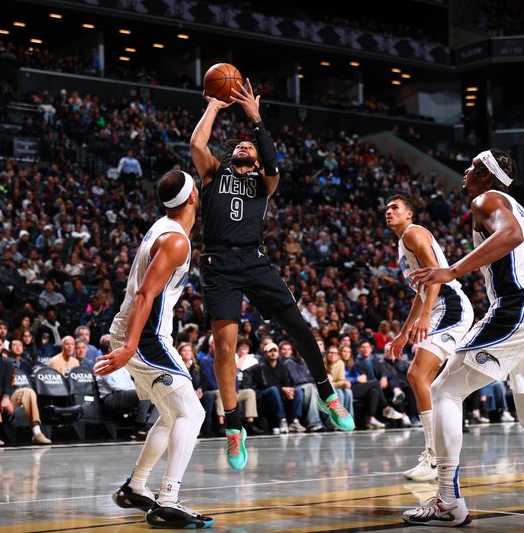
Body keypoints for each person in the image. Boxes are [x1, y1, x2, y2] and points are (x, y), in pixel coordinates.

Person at [404, 150, 524, 526]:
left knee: (445, 390)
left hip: (521, 304)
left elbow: (508, 235)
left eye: (471, 166)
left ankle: (447, 499)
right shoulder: (515, 206)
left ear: (484, 174)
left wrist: (453, 270)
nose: (464, 171)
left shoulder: (486, 199)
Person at [190, 77, 353, 469]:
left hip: (255, 260)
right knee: (224, 348)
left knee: (297, 324)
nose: (244, 144)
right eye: (240, 144)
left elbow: (274, 161)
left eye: (251, 145)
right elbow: (197, 145)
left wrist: (256, 118)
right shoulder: (214, 174)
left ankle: (327, 393)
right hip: (218, 264)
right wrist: (214, 105)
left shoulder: (265, 182)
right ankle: (233, 428)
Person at [95, 169, 213, 529]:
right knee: (192, 414)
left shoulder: (164, 225)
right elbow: (146, 294)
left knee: (171, 413)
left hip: (144, 333)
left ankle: (136, 486)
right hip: (145, 337)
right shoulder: (176, 240)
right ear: (193, 198)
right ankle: (168, 500)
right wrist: (130, 346)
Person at [386, 194, 474, 482]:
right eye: (387, 208)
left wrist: (425, 317)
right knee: (431, 385)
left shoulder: (414, 233)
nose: (389, 211)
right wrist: (403, 332)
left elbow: (437, 276)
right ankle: (439, 457)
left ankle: (434, 458)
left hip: (450, 306)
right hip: (438, 306)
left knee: (417, 374)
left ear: (409, 214)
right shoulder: (402, 242)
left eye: (395, 208)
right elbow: (420, 292)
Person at [0, 332, 51, 447]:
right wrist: (0, 400)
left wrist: (6, 397)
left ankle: (37, 432)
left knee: (28, 392)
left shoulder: (6, 362)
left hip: (2, 399)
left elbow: (10, 383)